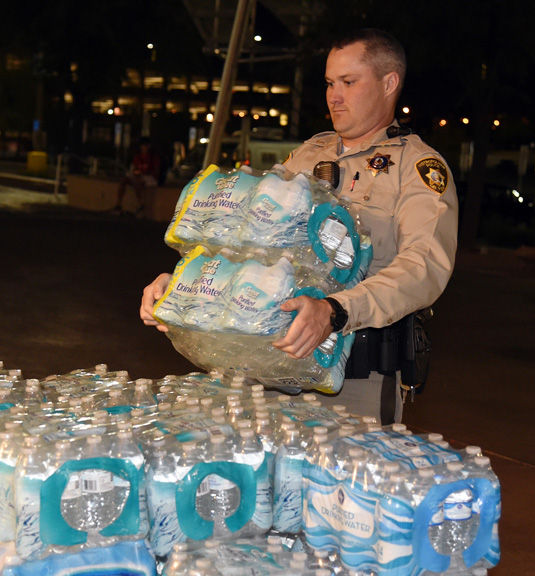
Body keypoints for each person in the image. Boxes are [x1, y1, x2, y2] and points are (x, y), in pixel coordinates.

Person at [139, 29, 458, 424]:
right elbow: (252, 244)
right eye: (329, 83)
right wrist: (187, 285)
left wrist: (336, 311)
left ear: (389, 82)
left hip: (354, 386)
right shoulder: (308, 154)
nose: (333, 96)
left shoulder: (416, 169)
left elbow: (423, 269)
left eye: (348, 82)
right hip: (268, 371)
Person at [113, 137, 161, 215]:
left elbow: (156, 171)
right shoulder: (138, 157)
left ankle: (141, 204)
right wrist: (136, 173)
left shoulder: (153, 157)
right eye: (142, 146)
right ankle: (118, 204)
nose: (143, 148)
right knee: (124, 181)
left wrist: (143, 173)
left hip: (150, 178)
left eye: (145, 146)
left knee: (137, 182)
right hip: (139, 176)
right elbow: (135, 169)